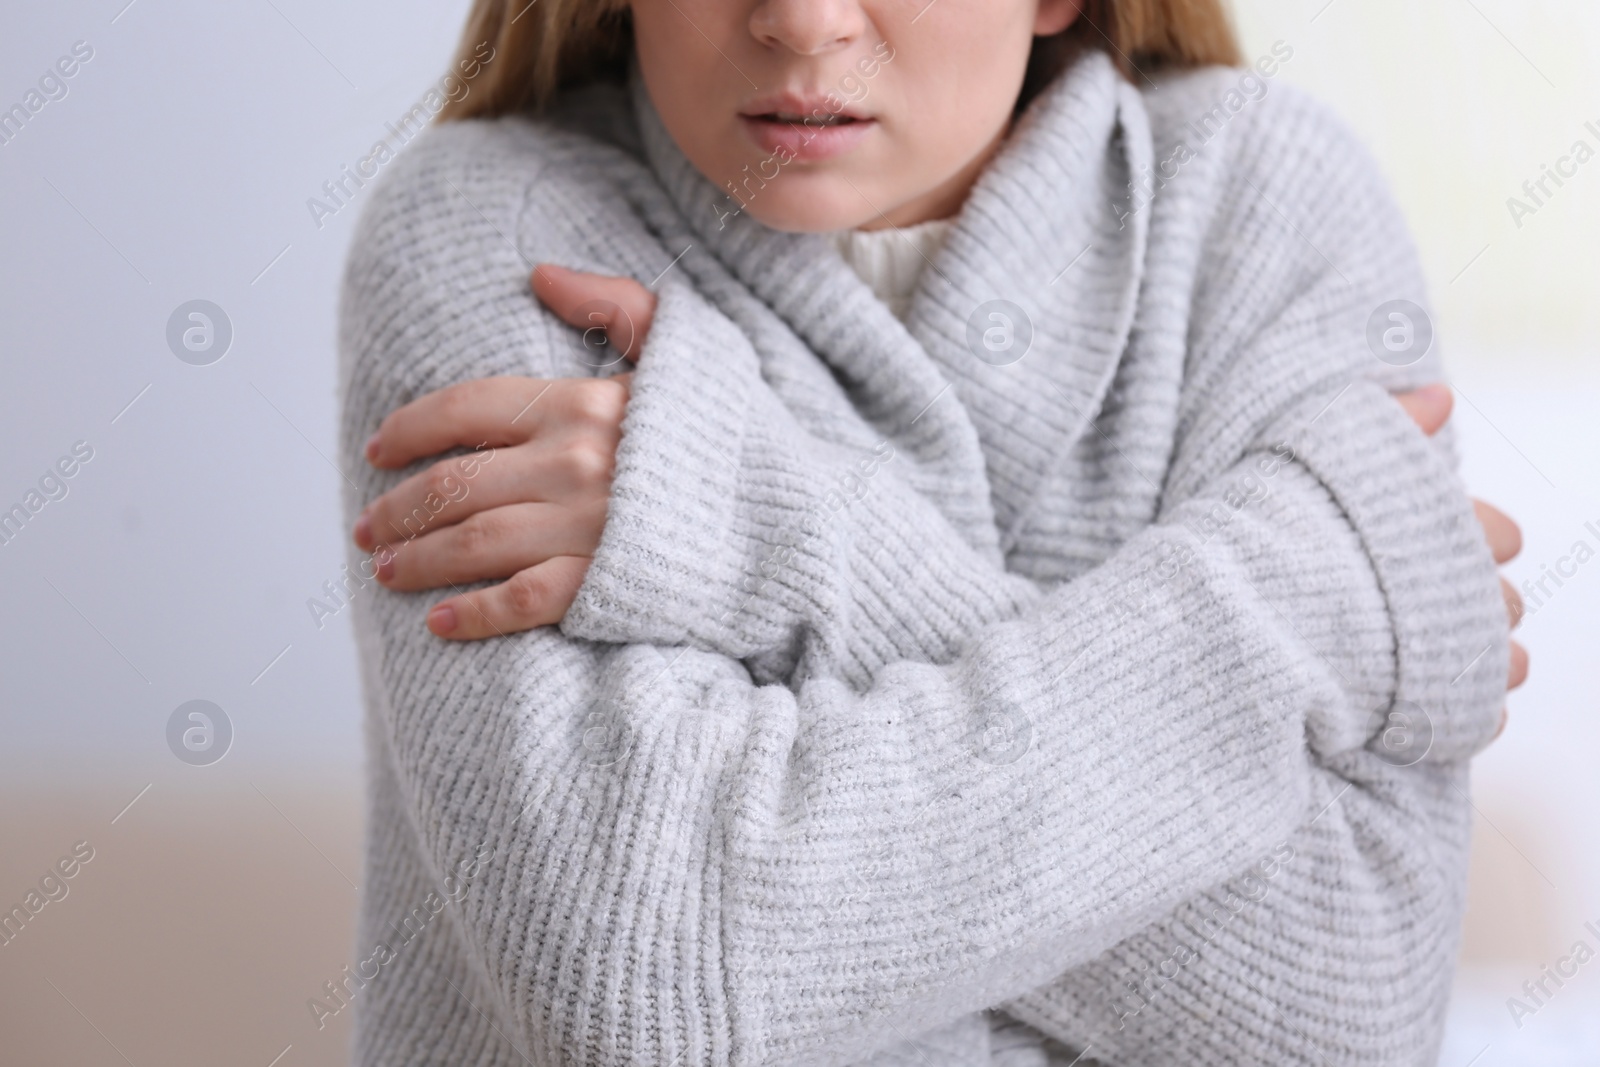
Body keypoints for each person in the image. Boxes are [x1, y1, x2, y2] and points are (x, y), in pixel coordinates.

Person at [337, 0, 1528, 1062]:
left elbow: (1350, 1009)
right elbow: (647, 979)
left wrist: (769, 526)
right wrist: (1279, 604)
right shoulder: (498, 220)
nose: (803, 26)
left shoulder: (1269, 195)